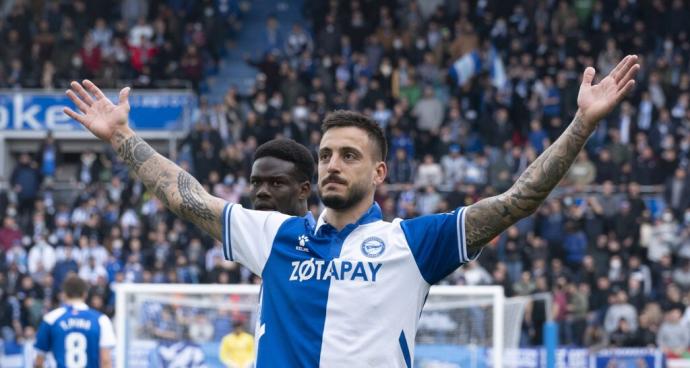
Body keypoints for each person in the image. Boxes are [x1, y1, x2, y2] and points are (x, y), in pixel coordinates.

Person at [64, 54, 639, 366]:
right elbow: (182, 193)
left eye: (348, 155)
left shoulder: (412, 244)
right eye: (325, 155)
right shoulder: (276, 236)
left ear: (379, 172)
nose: (333, 164)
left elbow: (519, 199)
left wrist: (582, 124)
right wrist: (121, 137)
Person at [34, 274, 116, 368]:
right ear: (85, 294)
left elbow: (39, 362)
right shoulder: (101, 320)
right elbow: (105, 360)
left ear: (64, 294)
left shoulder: (51, 319)